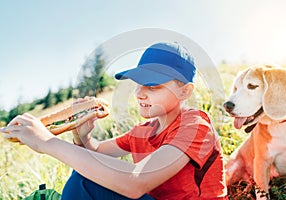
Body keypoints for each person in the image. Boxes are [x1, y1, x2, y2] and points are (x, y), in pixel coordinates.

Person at [2, 42, 228, 199]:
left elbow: (136, 182)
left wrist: (47, 142)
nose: (140, 93)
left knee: (83, 182)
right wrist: (82, 136)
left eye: (153, 85)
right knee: (84, 175)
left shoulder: (195, 126)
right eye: (139, 83)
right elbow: (96, 154)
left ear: (185, 91)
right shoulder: (143, 131)